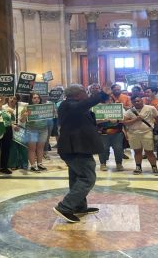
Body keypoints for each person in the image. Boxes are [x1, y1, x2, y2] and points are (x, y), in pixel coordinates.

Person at [54, 84, 111, 223]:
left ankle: (78, 206)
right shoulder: (68, 105)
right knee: (87, 178)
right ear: (77, 94)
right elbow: (81, 107)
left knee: (76, 179)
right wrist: (101, 95)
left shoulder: (75, 106)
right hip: (75, 148)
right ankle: (65, 207)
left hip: (78, 147)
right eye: (84, 92)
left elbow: (82, 122)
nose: (86, 94)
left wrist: (102, 122)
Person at [123, 95, 158, 175]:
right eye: (134, 102)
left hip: (147, 132)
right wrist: (136, 119)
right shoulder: (129, 111)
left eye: (138, 101)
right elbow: (125, 122)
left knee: (149, 152)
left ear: (142, 100)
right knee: (137, 151)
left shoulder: (150, 108)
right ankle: (138, 167)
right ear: (132, 102)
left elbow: (157, 117)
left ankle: (154, 167)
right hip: (133, 133)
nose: (137, 102)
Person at [20, 92, 50, 172]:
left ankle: (40, 164)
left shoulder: (44, 107)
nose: (36, 99)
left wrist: (52, 113)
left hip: (43, 130)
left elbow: (50, 118)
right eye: (34, 98)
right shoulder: (27, 108)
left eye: (38, 98)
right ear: (31, 99)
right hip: (31, 130)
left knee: (40, 148)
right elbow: (21, 120)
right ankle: (33, 165)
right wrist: (24, 116)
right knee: (32, 148)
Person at [96, 97, 125, 171]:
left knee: (118, 148)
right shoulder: (98, 108)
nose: (109, 102)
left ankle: (119, 163)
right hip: (103, 132)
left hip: (117, 132)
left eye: (111, 100)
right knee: (103, 148)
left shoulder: (119, 108)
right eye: (106, 100)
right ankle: (103, 163)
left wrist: (118, 119)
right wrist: (104, 120)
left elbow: (124, 119)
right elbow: (93, 121)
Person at [144, 86, 158, 160]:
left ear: (154, 92)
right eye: (146, 92)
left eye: (148, 92)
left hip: (157, 123)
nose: (146, 93)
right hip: (146, 123)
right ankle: (147, 153)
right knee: (146, 138)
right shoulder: (143, 101)